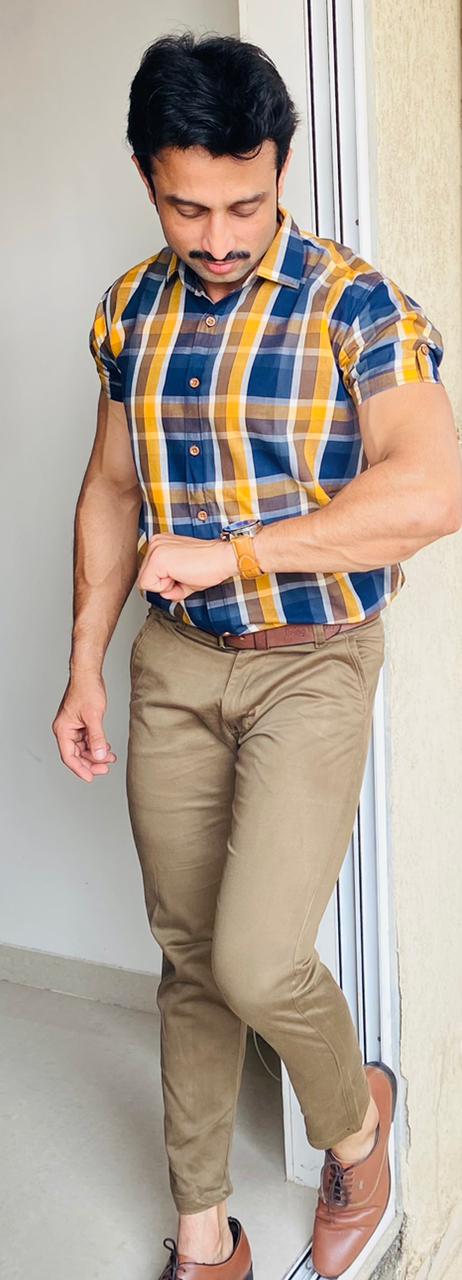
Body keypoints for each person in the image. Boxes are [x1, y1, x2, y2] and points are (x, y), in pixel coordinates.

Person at [51, 30, 462, 1280]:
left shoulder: (357, 304)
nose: (222, 237)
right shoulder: (130, 309)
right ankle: (204, 1235)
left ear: (280, 167)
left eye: (247, 203)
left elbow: (433, 488)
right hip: (174, 663)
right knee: (187, 955)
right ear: (146, 175)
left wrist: (236, 553)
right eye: (190, 207)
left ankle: (358, 1126)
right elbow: (110, 487)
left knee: (255, 957)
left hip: (312, 659)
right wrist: (83, 662)